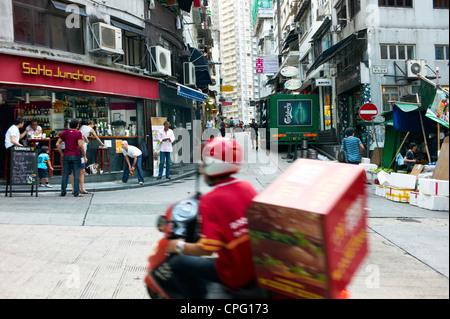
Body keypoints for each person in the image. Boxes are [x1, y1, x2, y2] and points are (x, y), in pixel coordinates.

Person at [162, 137, 258, 299]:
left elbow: (205, 249)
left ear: (215, 164)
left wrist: (178, 246)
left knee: (176, 263)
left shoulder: (210, 200)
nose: (202, 169)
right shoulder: (247, 187)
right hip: (255, 268)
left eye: (205, 163)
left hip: (233, 273)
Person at [56, 118, 87, 197]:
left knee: (65, 174)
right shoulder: (78, 133)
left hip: (66, 155)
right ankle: (76, 192)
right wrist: (84, 156)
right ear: (77, 126)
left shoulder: (64, 133)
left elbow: (57, 144)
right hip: (76, 155)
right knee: (76, 173)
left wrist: (61, 153)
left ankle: (63, 192)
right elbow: (80, 145)